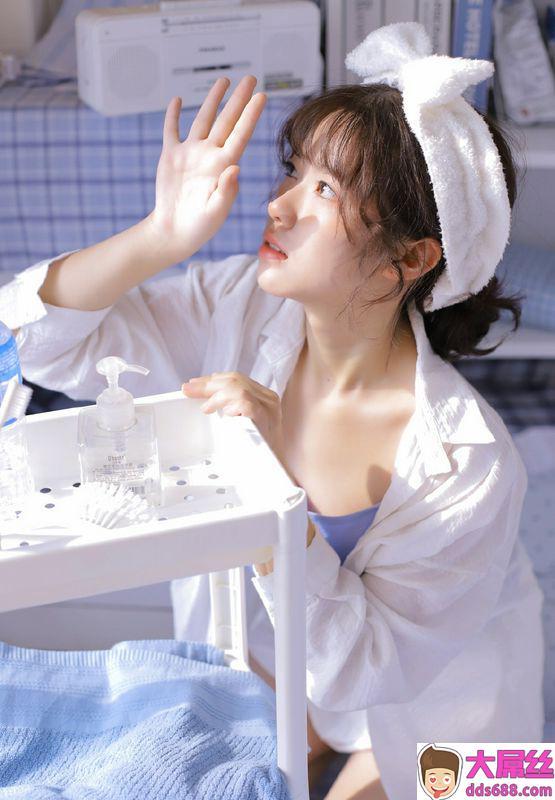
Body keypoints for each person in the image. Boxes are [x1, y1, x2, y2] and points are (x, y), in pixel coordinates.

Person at [0, 22, 544, 800]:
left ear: (410, 258)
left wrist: (271, 476)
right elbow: (35, 344)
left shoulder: (473, 464)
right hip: (282, 652)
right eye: (294, 172)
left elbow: (361, 671)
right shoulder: (238, 305)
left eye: (324, 191)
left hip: (432, 694)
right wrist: (158, 237)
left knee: (497, 787)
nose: (277, 206)